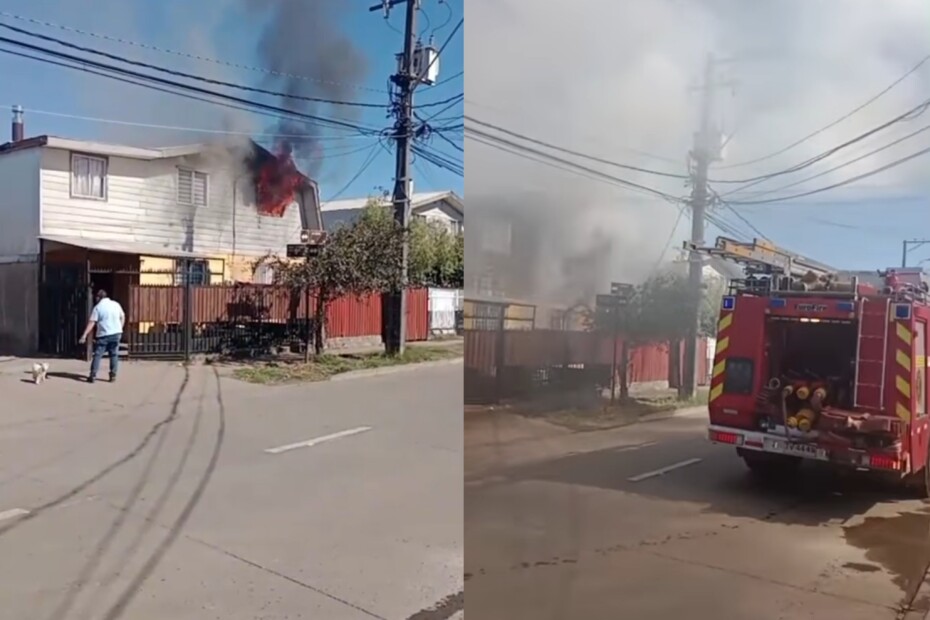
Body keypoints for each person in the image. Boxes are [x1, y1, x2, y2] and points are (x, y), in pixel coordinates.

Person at [78, 289, 125, 383]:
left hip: (104, 334)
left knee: (98, 355)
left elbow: (92, 322)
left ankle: (93, 375)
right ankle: (113, 375)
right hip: (116, 333)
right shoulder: (116, 304)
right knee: (114, 354)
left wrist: (84, 335)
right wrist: (120, 328)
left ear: (98, 297)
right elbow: (122, 316)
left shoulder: (98, 307)